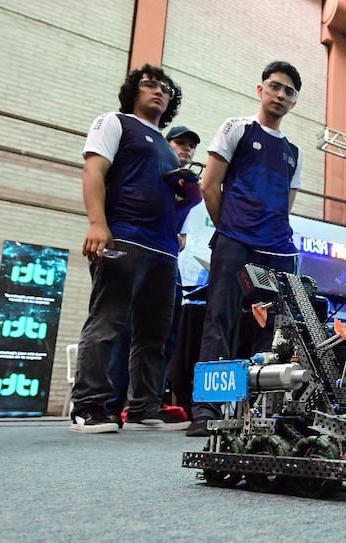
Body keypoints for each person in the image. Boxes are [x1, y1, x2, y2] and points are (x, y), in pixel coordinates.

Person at [71, 64, 199, 433]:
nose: (158, 91)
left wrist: (187, 198)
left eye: (165, 89)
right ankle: (88, 407)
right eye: (149, 85)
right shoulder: (114, 122)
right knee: (108, 321)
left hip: (163, 249)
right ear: (133, 91)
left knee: (153, 334)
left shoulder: (166, 147)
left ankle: (144, 407)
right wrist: (98, 224)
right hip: (123, 238)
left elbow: (170, 202)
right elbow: (93, 171)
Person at [188, 61, 303, 436]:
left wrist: (267, 235)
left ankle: (262, 413)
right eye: (275, 87)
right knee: (218, 322)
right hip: (235, 242)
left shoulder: (293, 152)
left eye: (289, 91)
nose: (281, 95)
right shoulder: (236, 128)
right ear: (260, 89)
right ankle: (207, 411)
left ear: (294, 101)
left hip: (278, 250)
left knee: (276, 332)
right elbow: (209, 186)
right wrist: (231, 230)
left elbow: (286, 204)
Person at [105, 125, 202, 421]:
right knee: (121, 329)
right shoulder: (146, 171)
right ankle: (109, 406)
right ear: (165, 145)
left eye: (190, 146)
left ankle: (146, 404)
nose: (185, 149)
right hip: (134, 249)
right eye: (179, 143)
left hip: (167, 261)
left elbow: (181, 237)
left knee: (162, 335)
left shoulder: (187, 186)